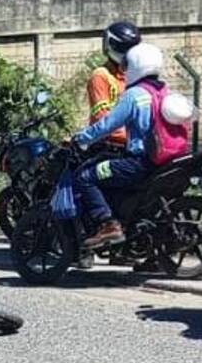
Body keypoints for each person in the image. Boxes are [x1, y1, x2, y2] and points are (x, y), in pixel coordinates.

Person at [70, 42, 180, 251]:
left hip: (138, 163)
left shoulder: (135, 95)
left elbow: (107, 124)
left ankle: (108, 224)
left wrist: (82, 138)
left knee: (85, 176)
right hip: (167, 161)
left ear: (136, 66)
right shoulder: (164, 91)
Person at [87, 21, 141, 149]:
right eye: (126, 48)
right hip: (109, 146)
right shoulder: (101, 76)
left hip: (136, 144)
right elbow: (104, 120)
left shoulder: (135, 74)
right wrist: (135, 136)